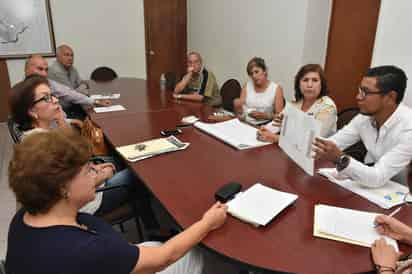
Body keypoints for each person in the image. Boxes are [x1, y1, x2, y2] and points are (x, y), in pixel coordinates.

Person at [6, 129, 227, 274]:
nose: (95, 173)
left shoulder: (23, 218)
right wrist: (207, 222)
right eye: (88, 170)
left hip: (112, 258)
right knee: (196, 255)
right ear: (63, 187)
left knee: (152, 245)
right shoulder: (87, 249)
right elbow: (165, 257)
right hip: (116, 260)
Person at [8, 75, 136, 217]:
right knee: (137, 174)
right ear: (32, 111)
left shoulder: (41, 133)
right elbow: (71, 190)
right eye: (46, 98)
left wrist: (60, 119)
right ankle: (151, 226)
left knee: (123, 160)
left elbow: (77, 159)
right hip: (87, 201)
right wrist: (104, 174)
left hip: (88, 177)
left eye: (52, 95)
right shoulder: (43, 146)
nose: (56, 100)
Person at [313, 65, 412, 188]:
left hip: (402, 194)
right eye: (360, 91)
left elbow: (378, 177)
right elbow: (333, 143)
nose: (358, 97)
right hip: (375, 187)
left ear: (390, 97)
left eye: (366, 92)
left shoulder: (409, 129)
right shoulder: (364, 118)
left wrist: (340, 158)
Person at [257, 64, 337, 143]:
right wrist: (266, 129)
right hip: (292, 150)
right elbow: (280, 121)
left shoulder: (328, 107)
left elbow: (311, 141)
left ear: (322, 84)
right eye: (305, 80)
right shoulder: (297, 101)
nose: (309, 85)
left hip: (316, 153)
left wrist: (276, 138)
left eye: (315, 80)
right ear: (299, 84)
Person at [25, 55, 110, 119]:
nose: (44, 74)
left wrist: (94, 101)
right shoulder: (24, 92)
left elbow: (68, 92)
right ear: (27, 69)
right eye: (40, 69)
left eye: (46, 70)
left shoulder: (47, 81)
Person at [233, 57, 285, 121]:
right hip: (247, 123)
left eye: (256, 72)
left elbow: (280, 118)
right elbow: (241, 116)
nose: (254, 76)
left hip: (264, 126)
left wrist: (265, 116)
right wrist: (238, 109)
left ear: (265, 71)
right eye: (251, 74)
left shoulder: (277, 89)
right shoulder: (246, 86)